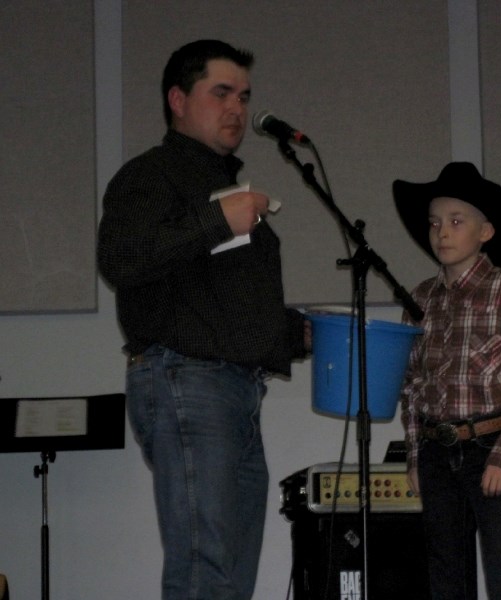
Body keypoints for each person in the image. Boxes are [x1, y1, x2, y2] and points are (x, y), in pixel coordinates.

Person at [97, 40, 310, 600]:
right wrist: (218, 219)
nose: (237, 108)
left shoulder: (228, 192)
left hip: (238, 393)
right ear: (177, 99)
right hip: (186, 384)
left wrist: (311, 333)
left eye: (243, 96)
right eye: (220, 93)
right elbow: (121, 259)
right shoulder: (150, 176)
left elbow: (225, 307)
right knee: (204, 572)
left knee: (230, 580)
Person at [392, 162, 501, 600]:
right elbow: (411, 384)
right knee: (446, 576)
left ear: (485, 232)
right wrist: (415, 453)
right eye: (434, 223)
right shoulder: (420, 299)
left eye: (456, 221)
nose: (442, 233)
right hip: (436, 451)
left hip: (490, 447)